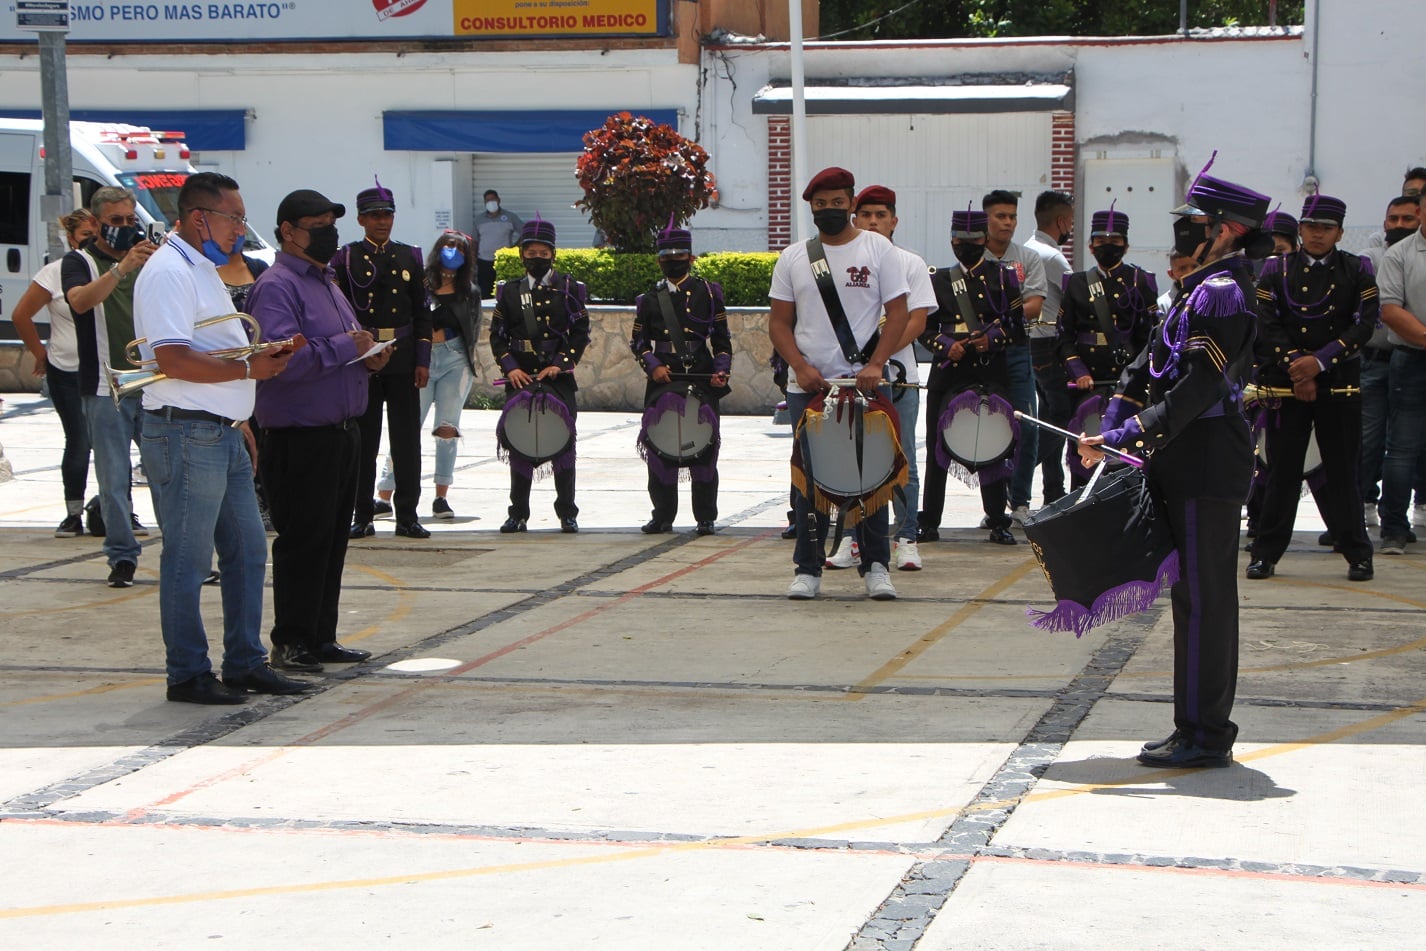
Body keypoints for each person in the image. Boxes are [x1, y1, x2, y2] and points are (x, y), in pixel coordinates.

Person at [1080, 160, 1270, 768]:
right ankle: (1193, 726)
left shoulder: (1223, 292)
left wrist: (1130, 432)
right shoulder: (1199, 287)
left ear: (1227, 230)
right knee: (1191, 596)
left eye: (1194, 222)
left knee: (1206, 600)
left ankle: (1207, 734)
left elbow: (1195, 389)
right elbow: (1146, 365)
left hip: (1207, 459)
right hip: (1182, 454)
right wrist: (1113, 420)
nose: (1183, 232)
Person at [131, 171, 310, 704]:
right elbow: (171, 358)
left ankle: (244, 661)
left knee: (250, 551)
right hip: (186, 433)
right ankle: (187, 672)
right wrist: (247, 374)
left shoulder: (199, 267)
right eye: (234, 217)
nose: (240, 228)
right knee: (188, 560)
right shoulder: (169, 272)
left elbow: (217, 350)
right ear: (197, 217)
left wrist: (241, 415)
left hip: (218, 432)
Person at [248, 188, 386, 674]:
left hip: (342, 431)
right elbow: (282, 360)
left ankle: (321, 635)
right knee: (304, 541)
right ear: (288, 231)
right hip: (301, 436)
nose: (329, 234)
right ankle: (292, 639)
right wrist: (348, 348)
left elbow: (343, 347)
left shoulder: (326, 280)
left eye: (332, 225)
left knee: (331, 541)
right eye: (318, 226)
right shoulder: (278, 285)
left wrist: (368, 358)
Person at [768, 166, 910, 601]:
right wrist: (799, 366)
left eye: (837, 202)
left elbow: (900, 313)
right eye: (820, 203)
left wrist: (877, 362)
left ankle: (876, 567)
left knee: (873, 477)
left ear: (851, 202)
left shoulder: (879, 250)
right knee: (809, 482)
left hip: (866, 383)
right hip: (809, 387)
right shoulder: (794, 257)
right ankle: (807, 570)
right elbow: (778, 323)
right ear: (810, 206)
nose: (829, 209)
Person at [1246, 195, 1376, 582]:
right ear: (1300, 228)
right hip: (1287, 387)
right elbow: (1266, 324)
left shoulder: (1357, 270)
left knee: (1342, 472)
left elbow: (1364, 325)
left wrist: (1318, 364)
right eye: (1311, 226)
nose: (1317, 234)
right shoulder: (1275, 270)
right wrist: (1296, 369)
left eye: (1326, 228)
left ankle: (1357, 553)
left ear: (1339, 231)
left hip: (1337, 385)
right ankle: (1266, 553)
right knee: (1282, 474)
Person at [823, 184, 933, 571]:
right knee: (851, 459)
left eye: (880, 215)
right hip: (850, 377)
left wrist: (877, 356)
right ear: (854, 217)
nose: (872, 221)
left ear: (894, 221)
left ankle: (906, 537)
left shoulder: (910, 262)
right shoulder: (836, 259)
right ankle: (851, 539)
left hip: (896, 378)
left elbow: (916, 320)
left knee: (902, 456)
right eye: (865, 214)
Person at [62, 187, 159, 586]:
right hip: (106, 387)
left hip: (154, 382)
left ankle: (189, 554)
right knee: (114, 478)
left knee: (168, 474)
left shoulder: (152, 256)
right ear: (97, 223)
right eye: (115, 221)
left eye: (129, 220)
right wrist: (121, 268)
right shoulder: (78, 261)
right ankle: (122, 556)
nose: (124, 228)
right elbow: (80, 302)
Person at [917, 208, 1024, 545]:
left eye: (975, 240)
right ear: (952, 241)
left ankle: (997, 519)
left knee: (994, 444)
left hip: (990, 370)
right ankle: (930, 520)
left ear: (985, 240)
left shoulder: (1004, 276)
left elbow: (1017, 328)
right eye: (961, 241)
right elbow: (924, 328)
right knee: (937, 446)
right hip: (948, 373)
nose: (968, 245)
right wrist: (946, 346)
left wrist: (990, 340)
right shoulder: (937, 278)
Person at [334, 178, 433, 540]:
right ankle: (362, 514)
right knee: (364, 439)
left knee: (407, 440)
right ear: (361, 219)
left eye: (387, 215)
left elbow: (423, 312)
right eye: (374, 216)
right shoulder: (346, 257)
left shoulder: (410, 256)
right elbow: (340, 311)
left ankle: (407, 514)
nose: (382, 222)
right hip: (365, 359)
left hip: (403, 358)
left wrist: (423, 358)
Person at [630, 224, 732, 535]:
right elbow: (638, 342)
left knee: (704, 448)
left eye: (679, 254)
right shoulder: (649, 299)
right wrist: (652, 365)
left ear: (691, 256)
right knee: (661, 448)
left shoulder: (709, 293)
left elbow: (722, 341)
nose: (673, 259)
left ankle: (705, 516)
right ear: (659, 259)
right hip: (663, 379)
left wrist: (721, 370)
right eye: (667, 255)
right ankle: (662, 515)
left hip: (701, 377)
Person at [489, 218, 590, 533]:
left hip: (557, 380)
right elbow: (497, 336)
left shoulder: (570, 288)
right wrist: (511, 367)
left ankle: (567, 513)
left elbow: (580, 331)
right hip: (520, 379)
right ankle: (517, 513)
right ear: (521, 255)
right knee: (519, 445)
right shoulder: (508, 292)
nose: (537, 257)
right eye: (530, 252)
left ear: (553, 254)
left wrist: (561, 362)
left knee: (563, 447)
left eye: (543, 253)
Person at [376, 231, 482, 520]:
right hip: (421, 359)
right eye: (448, 246)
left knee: (446, 428)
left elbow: (473, 329)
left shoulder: (468, 291)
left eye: (459, 248)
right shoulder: (420, 283)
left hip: (454, 359)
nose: (452, 252)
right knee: (406, 427)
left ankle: (441, 496)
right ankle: (385, 494)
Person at [1054, 206, 1157, 491]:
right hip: (1087, 382)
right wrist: (1077, 370)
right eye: (1101, 241)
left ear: (1126, 245)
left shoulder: (1140, 281)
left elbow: (1151, 336)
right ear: (1090, 245)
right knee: (1082, 449)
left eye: (1115, 241)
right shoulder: (1076, 283)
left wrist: (1139, 375)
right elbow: (1063, 336)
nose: (1107, 246)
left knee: (1126, 453)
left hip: (1128, 383)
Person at [10, 208, 98, 537]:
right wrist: (40, 354)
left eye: (96, 234)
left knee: (112, 441)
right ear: (71, 238)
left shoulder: (114, 269)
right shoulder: (55, 273)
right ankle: (73, 513)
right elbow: (21, 315)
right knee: (79, 440)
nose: (91, 241)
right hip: (67, 369)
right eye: (85, 236)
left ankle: (117, 511)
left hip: (108, 369)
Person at [981, 189, 1048, 524]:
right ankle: (992, 509)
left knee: (1027, 426)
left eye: (1011, 216)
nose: (1007, 222)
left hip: (1018, 350)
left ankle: (1019, 501)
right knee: (989, 426)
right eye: (1000, 216)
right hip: (982, 354)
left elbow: (1035, 306)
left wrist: (996, 313)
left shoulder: (1027, 258)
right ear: (986, 219)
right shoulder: (974, 256)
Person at [1359, 196, 1421, 530]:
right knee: (1372, 443)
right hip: (1381, 361)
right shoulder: (1374, 258)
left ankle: (1406, 514)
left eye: (1406, 219)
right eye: (1392, 219)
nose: (1398, 225)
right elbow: (1388, 310)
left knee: (1405, 444)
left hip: (1407, 358)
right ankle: (1357, 516)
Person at [1376, 190, 1426, 555]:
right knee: (1403, 447)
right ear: (1421, 211)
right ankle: (1394, 526)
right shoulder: (1401, 254)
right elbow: (1391, 310)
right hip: (1413, 358)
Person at [1025, 190, 1075, 505]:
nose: (1070, 226)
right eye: (1070, 221)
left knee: (1047, 417)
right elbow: (1077, 297)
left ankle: (1054, 490)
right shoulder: (1052, 256)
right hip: (1050, 344)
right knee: (1062, 419)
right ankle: (1019, 469)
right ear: (1060, 221)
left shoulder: (1026, 250)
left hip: (1031, 344)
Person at [474, 189, 522, 299]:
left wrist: (514, 248)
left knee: (505, 292)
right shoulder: (479, 219)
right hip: (484, 262)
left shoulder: (510, 217)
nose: (490, 202)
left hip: (503, 262)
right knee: (485, 292)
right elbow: (475, 241)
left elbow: (524, 232)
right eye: (487, 200)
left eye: (493, 199)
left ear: (499, 200)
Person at [1158, 250, 1197, 315]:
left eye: (1195, 266)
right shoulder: (1164, 303)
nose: (1190, 272)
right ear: (1171, 274)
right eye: (1183, 268)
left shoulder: (1212, 295)